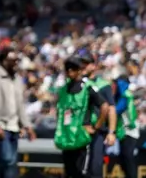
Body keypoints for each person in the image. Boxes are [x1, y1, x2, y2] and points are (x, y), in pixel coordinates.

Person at [0, 48, 36, 178]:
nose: (15, 63)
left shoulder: (16, 79)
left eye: (16, 60)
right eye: (12, 60)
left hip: (13, 126)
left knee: (10, 163)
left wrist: (27, 126)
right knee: (7, 159)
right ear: (3, 60)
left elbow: (20, 105)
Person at [55, 56, 109, 178]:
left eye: (73, 69)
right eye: (67, 69)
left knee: (83, 173)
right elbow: (60, 111)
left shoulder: (87, 87)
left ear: (79, 70)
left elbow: (104, 106)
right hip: (67, 137)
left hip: (82, 136)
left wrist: (96, 126)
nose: (69, 72)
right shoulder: (63, 89)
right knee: (69, 172)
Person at [78, 50, 117, 178]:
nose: (83, 66)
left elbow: (111, 108)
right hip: (79, 130)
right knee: (79, 166)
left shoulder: (103, 85)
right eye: (82, 63)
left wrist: (111, 132)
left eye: (87, 63)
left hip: (96, 130)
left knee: (95, 166)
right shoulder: (78, 84)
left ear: (94, 66)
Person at [112, 74, 137, 178]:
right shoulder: (121, 95)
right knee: (123, 158)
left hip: (129, 131)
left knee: (127, 157)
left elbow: (118, 109)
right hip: (123, 131)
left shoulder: (126, 95)